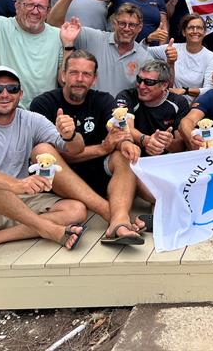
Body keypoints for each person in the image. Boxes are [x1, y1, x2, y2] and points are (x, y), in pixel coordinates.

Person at [0, 66, 89, 263]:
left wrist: (70, 135)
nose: (5, 94)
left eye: (12, 89)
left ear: (20, 94)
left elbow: (75, 149)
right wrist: (16, 185)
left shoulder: (31, 120)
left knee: (77, 210)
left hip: (17, 203)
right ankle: (47, 228)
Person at [29, 51, 149, 245]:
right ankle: (112, 215)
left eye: (86, 74)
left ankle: (119, 219)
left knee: (124, 155)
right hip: (61, 182)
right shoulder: (43, 104)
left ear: (94, 79)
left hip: (99, 176)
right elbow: (51, 156)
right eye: (74, 73)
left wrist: (126, 143)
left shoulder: (103, 100)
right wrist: (102, 148)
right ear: (63, 75)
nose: (80, 79)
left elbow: (117, 131)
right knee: (42, 150)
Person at [48, 0, 168, 97]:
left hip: (122, 112)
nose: (127, 29)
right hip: (88, 109)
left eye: (132, 25)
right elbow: (54, 24)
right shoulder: (93, 37)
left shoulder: (145, 58)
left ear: (139, 28)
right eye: (122, 23)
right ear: (114, 23)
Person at [115, 59, 189, 157]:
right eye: (139, 79)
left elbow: (181, 146)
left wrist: (168, 143)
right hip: (133, 156)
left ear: (164, 85)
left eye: (148, 82)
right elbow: (125, 128)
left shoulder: (179, 103)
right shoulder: (126, 96)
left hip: (166, 159)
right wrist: (146, 140)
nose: (141, 86)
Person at [164, 14, 213, 101]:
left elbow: (209, 90)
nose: (195, 31)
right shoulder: (172, 48)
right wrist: (147, 40)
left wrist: (186, 91)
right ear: (184, 32)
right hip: (172, 102)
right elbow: (143, 50)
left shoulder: (210, 56)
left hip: (195, 104)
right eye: (191, 28)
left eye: (199, 28)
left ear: (204, 32)